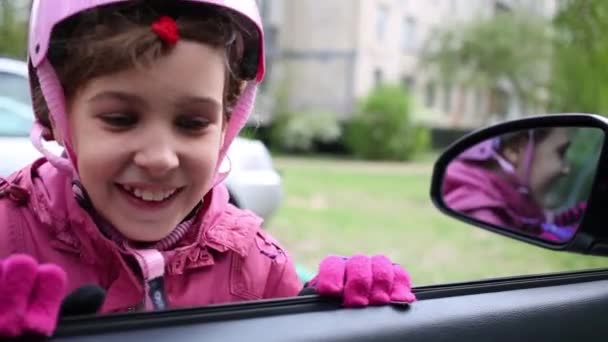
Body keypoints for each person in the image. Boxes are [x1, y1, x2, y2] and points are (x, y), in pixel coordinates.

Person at [0, 0, 415, 338]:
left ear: (226, 127)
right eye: (120, 119)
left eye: (193, 123)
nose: (161, 157)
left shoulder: (257, 266)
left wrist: (331, 313)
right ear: (55, 113)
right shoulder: (6, 233)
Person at [443, 127, 579, 241]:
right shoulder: (483, 216)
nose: (566, 170)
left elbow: (539, 222)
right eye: (561, 153)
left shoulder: (515, 204)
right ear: (516, 150)